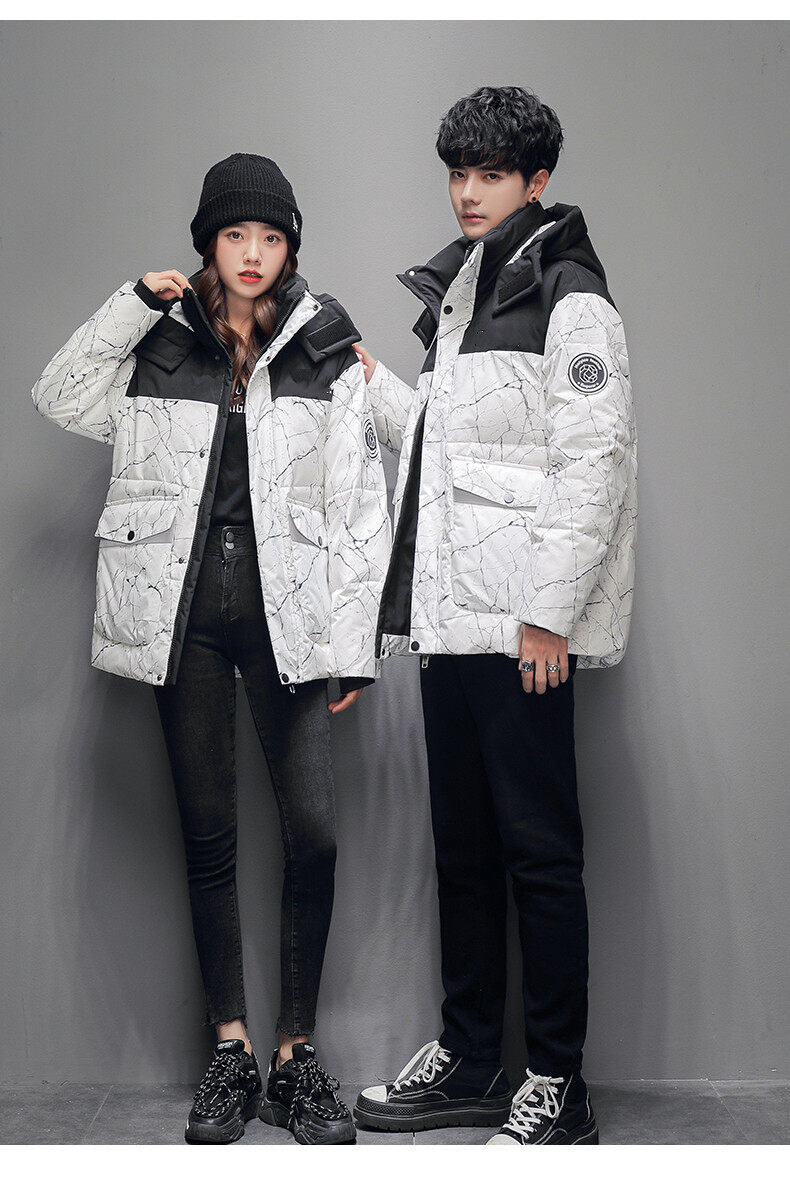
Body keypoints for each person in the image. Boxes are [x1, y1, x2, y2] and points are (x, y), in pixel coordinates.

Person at [31, 153, 391, 1145]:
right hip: (181, 612)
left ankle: (296, 1058)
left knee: (313, 834)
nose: (254, 253)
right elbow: (59, 392)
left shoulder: (320, 344)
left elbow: (365, 497)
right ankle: (229, 1052)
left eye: (271, 236)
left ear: (289, 249)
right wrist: (126, 304)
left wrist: (353, 645)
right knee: (208, 834)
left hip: (290, 616)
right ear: (208, 244)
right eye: (236, 234)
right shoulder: (160, 342)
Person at [353, 87, 637, 1145]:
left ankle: (557, 1084)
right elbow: (452, 459)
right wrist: (373, 382)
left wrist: (548, 616)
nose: (468, 192)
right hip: (452, 626)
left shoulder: (571, 298)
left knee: (538, 855)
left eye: (491, 174)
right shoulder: (465, 298)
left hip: (523, 633)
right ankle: (472, 1059)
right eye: (458, 173)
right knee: (463, 853)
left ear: (536, 181)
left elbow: (593, 461)